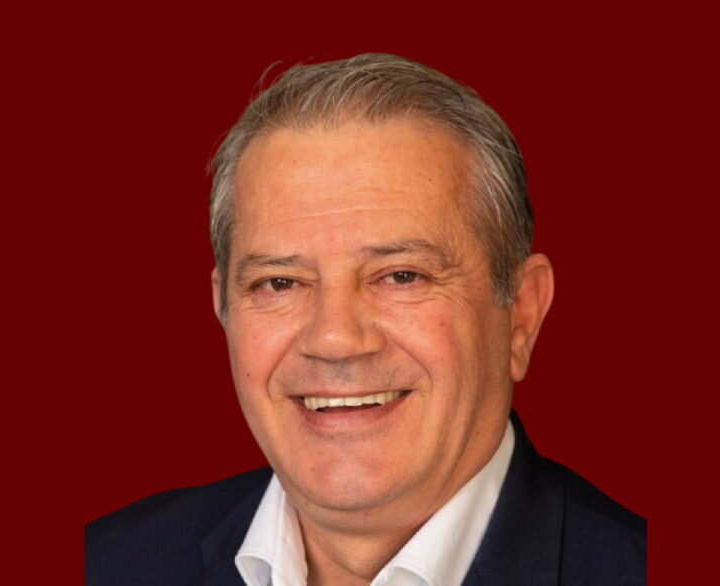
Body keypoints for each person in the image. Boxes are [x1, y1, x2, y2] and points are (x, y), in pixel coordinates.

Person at [86, 53, 646, 586]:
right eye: (279, 282)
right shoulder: (104, 563)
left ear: (521, 315)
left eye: (401, 276)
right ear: (224, 309)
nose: (334, 338)